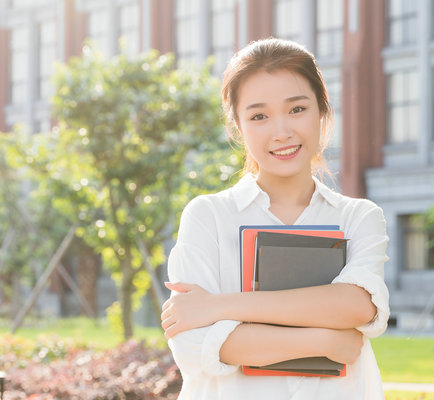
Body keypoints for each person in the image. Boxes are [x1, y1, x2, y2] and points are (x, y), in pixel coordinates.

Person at [160, 37, 390, 400]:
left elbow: (357, 305)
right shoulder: (208, 217)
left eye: (297, 109)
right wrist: (325, 339)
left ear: (322, 111)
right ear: (237, 126)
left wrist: (217, 307)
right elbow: (195, 344)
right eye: (259, 116)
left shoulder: (358, 217)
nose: (281, 131)